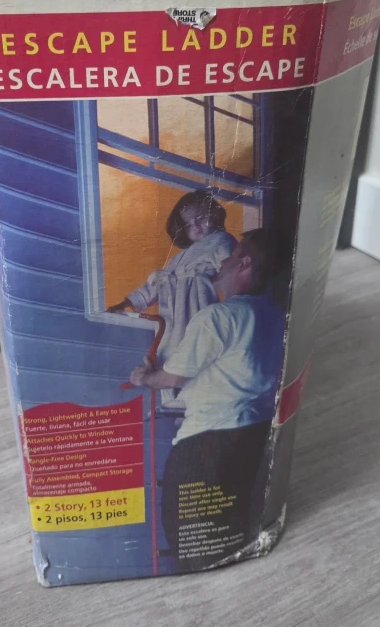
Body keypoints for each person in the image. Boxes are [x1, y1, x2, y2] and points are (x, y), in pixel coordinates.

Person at [129, 229, 285, 570]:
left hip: (208, 442)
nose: (222, 261)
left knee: (189, 537)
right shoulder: (273, 316)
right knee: (232, 524)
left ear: (243, 264)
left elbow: (172, 377)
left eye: (232, 255)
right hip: (255, 436)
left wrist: (145, 378)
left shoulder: (217, 317)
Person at [108, 189, 236, 409]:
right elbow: (153, 288)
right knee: (168, 353)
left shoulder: (221, 240)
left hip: (195, 309)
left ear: (214, 214)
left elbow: (231, 272)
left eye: (201, 218)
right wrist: (125, 304)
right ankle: (173, 404)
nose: (196, 226)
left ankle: (194, 404)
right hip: (171, 318)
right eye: (188, 224)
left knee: (193, 354)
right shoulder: (176, 260)